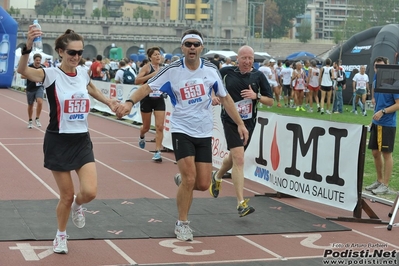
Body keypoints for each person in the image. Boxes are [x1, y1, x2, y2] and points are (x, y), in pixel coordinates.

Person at [115, 29, 248, 241]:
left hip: (204, 131)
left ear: (202, 48)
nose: (192, 48)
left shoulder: (212, 70)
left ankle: (183, 180)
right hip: (181, 130)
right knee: (190, 179)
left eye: (196, 44)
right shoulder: (172, 70)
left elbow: (226, 99)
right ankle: (182, 222)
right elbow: (146, 88)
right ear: (183, 48)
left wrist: (240, 123)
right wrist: (129, 102)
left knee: (203, 184)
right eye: (188, 44)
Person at [17, 26, 118, 254]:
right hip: (58, 141)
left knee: (89, 192)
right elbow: (23, 71)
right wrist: (28, 48)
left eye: (80, 53)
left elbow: (90, 87)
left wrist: (109, 102)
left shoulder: (83, 72)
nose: (76, 57)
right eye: (72, 52)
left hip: (82, 140)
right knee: (66, 195)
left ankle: (78, 207)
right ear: (61, 52)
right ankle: (61, 235)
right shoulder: (50, 74)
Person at [209, 45, 274, 217]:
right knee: (239, 158)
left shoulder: (259, 76)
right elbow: (210, 85)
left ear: (254, 60)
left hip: (249, 122)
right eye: (244, 58)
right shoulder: (226, 72)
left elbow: (271, 101)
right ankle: (240, 203)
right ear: (237, 58)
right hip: (230, 121)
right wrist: (213, 96)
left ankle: (217, 176)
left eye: (250, 58)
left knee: (234, 156)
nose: (247, 61)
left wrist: (256, 96)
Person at [365, 56, 399, 195]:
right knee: (374, 152)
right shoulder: (375, 81)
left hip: (388, 124)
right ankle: (379, 181)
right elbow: (377, 104)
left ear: (387, 67)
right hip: (376, 122)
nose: (378, 69)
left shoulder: (393, 83)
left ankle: (385, 184)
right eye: (376, 67)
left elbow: (398, 104)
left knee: (386, 154)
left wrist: (383, 111)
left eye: (381, 66)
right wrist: (373, 119)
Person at [134, 47, 164, 162]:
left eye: (159, 54)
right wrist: (152, 75)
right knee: (146, 127)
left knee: (160, 127)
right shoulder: (147, 67)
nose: (158, 56)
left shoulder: (163, 69)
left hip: (159, 99)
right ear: (150, 57)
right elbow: (137, 81)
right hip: (146, 98)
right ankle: (142, 135)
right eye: (155, 55)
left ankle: (157, 151)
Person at [20, 53, 45, 129]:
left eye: (39, 60)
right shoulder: (29, 67)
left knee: (40, 102)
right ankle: (30, 120)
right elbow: (22, 76)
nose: (38, 61)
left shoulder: (43, 68)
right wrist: (32, 77)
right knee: (30, 105)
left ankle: (37, 118)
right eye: (37, 60)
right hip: (30, 88)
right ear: (34, 60)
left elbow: (46, 76)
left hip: (39, 87)